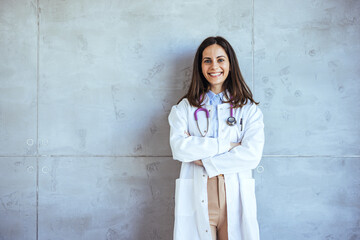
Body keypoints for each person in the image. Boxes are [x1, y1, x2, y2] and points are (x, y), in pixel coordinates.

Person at [168, 36, 265, 240]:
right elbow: (179, 148)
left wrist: (203, 159)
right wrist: (228, 146)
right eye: (207, 60)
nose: (214, 66)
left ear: (230, 64)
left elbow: (252, 155)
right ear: (200, 66)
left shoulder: (248, 110)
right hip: (197, 194)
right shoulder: (185, 109)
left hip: (235, 196)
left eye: (220, 59)